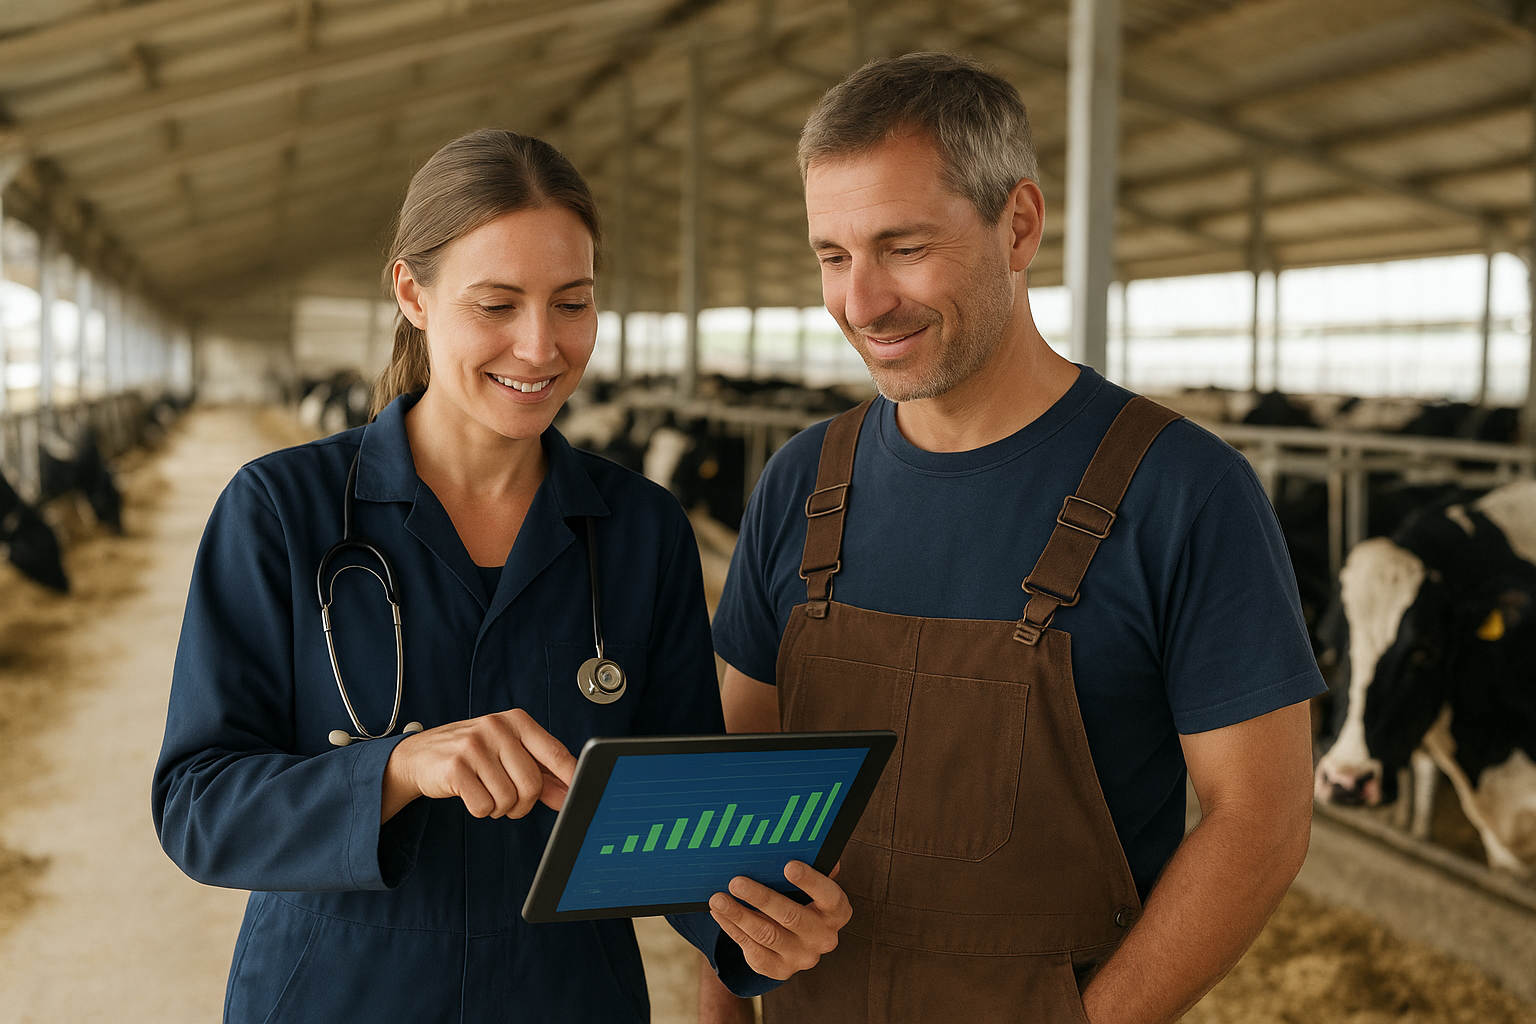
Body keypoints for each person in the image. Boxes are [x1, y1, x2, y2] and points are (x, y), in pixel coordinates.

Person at [152, 128, 846, 1023]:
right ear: (413, 291)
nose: (540, 347)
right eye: (496, 304)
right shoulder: (284, 512)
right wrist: (399, 767)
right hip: (340, 996)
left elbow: (676, 831)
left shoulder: (639, 530)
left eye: (571, 302)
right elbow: (199, 805)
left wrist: (755, 928)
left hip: (569, 999)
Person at [699, 53, 1323, 1024]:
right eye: (833, 255)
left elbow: (1263, 821)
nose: (860, 303)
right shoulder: (800, 483)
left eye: (902, 247)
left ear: (1019, 224)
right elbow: (732, 805)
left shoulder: (1185, 492)